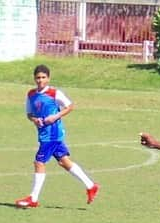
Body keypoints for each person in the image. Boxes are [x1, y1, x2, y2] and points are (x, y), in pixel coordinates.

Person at [15, 64, 99, 208]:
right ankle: (91, 186)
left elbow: (70, 106)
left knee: (39, 162)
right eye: (38, 78)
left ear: (48, 78)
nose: (40, 80)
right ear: (34, 79)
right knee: (64, 162)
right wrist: (34, 120)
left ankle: (33, 198)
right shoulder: (31, 95)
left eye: (43, 77)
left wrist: (56, 116)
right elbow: (29, 113)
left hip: (52, 135)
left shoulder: (54, 93)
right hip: (44, 133)